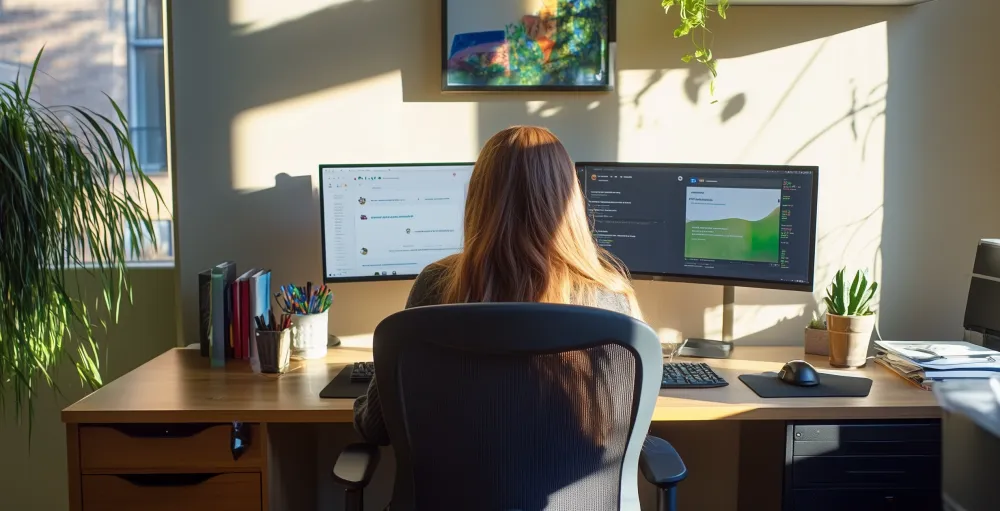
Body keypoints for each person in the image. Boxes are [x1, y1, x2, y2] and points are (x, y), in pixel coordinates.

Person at [353, 125, 643, 446]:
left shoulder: (436, 285)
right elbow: (633, 421)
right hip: (580, 497)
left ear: (479, 197)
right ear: (570, 198)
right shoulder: (610, 296)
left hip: (455, 496)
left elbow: (375, 427)